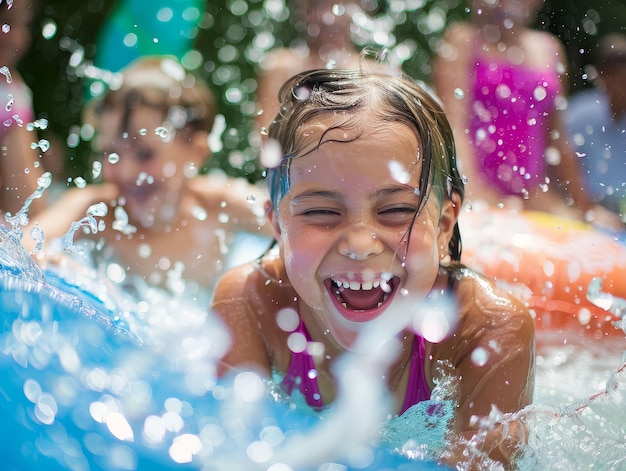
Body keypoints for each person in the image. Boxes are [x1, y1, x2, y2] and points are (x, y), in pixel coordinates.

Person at [211, 69, 535, 468]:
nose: (360, 245)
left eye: (397, 210)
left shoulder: (486, 330)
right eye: (321, 212)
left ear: (445, 224)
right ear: (277, 225)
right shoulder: (249, 304)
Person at [25, 56, 270, 300]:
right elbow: (22, 249)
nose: (127, 172)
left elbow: (292, 219)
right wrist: (72, 274)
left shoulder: (222, 206)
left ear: (197, 152)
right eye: (110, 153)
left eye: (144, 153)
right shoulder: (94, 211)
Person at [431, 0, 621, 230]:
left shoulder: (550, 49)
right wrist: (471, 192)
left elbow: (557, 139)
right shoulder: (463, 41)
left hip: (535, 197)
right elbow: (453, 125)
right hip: (477, 190)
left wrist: (586, 208)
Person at [255, 0, 394, 134]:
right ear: (303, 10)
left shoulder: (380, 73)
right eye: (318, 5)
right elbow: (266, 138)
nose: (327, 16)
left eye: (339, 5)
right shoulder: (281, 67)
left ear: (359, 9)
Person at [566, 33, 626, 224]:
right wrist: (588, 209)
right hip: (583, 211)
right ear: (600, 75)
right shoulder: (578, 114)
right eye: (616, 78)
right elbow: (559, 169)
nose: (621, 86)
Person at [0, 0, 46, 217]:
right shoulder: (8, 94)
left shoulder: (10, 92)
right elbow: (27, 205)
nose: (17, 39)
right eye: (5, 22)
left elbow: (25, 199)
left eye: (25, 26)